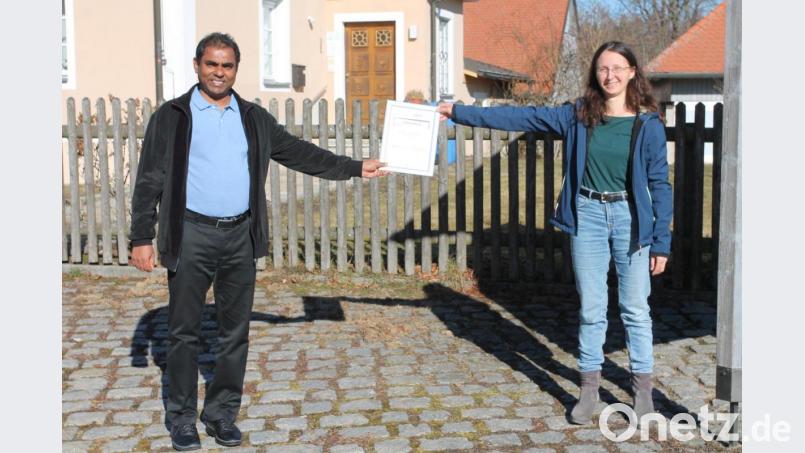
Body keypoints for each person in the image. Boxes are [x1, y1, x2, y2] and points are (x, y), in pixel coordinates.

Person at [129, 32, 386, 451]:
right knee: (183, 331)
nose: (218, 72)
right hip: (191, 233)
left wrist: (356, 167)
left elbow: (300, 152)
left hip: (239, 236)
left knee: (234, 332)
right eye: (211, 64)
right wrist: (142, 236)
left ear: (235, 70)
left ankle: (221, 414)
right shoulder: (172, 116)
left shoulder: (252, 118)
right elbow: (150, 180)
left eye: (226, 65)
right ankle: (181, 420)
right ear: (197, 66)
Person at [438, 41, 672, 425]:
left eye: (617, 68)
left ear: (632, 71)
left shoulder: (647, 124)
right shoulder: (580, 115)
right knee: (593, 308)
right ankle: (589, 389)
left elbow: (660, 184)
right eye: (602, 69)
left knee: (635, 309)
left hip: (631, 219)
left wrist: (661, 240)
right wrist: (459, 112)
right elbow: (524, 118)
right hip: (588, 215)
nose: (609, 75)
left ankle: (642, 390)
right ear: (595, 74)